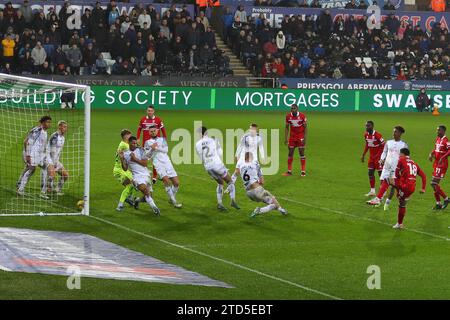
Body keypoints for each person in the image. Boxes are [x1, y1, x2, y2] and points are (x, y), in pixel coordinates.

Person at [195, 126, 240, 211]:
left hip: (208, 167)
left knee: (220, 183)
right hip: (217, 164)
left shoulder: (197, 144)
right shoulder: (213, 139)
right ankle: (233, 201)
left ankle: (220, 204)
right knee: (230, 182)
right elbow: (220, 153)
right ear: (206, 133)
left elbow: (201, 158)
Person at [367, 126, 408, 209]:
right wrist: (382, 159)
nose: (393, 133)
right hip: (386, 166)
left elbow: (406, 157)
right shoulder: (388, 142)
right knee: (383, 183)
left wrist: (403, 167)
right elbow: (384, 152)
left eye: (395, 132)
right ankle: (380, 199)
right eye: (393, 131)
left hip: (396, 168)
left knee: (391, 185)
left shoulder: (404, 145)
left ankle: (381, 199)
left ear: (400, 133)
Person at [119, 136, 160, 216]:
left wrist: (134, 159)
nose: (135, 144)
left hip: (146, 175)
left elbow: (145, 163)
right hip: (137, 177)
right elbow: (125, 168)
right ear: (129, 143)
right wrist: (121, 159)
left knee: (147, 197)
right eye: (133, 143)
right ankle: (155, 208)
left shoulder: (141, 150)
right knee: (145, 190)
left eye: (135, 143)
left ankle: (137, 200)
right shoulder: (126, 154)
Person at [240, 152, 287, 218]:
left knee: (272, 203)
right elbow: (262, 182)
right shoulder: (255, 164)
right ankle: (280, 209)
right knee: (270, 195)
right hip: (256, 190)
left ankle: (265, 210)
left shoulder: (241, 166)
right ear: (251, 157)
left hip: (249, 193)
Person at [144, 127, 182, 208]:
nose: (153, 132)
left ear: (157, 131)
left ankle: (171, 198)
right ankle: (174, 201)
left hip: (167, 162)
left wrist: (156, 148)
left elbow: (166, 150)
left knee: (176, 183)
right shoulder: (147, 142)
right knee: (166, 180)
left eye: (154, 131)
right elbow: (147, 155)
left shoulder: (162, 139)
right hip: (158, 164)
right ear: (149, 132)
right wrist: (151, 149)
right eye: (151, 131)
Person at [17, 116, 52, 199]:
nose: (49, 124)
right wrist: (28, 155)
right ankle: (20, 189)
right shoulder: (37, 130)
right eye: (47, 122)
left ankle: (43, 192)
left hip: (39, 155)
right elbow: (27, 142)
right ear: (42, 122)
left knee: (46, 168)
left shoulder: (44, 131)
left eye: (50, 122)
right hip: (32, 153)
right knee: (31, 170)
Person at [392, 148, 426, 229]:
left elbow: (396, 174)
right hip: (411, 187)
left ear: (403, 154)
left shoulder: (401, 160)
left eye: (400, 154)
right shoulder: (414, 163)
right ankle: (400, 223)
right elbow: (423, 176)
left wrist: (397, 186)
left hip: (405, 186)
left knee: (401, 203)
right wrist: (423, 188)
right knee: (402, 203)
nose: (399, 156)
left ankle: (399, 224)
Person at [136, 105, 167, 184]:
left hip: (156, 143)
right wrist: (138, 138)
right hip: (146, 144)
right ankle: (144, 174)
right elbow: (139, 129)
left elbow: (163, 130)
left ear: (153, 111)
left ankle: (154, 176)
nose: (150, 112)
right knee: (144, 159)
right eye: (148, 110)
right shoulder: (143, 119)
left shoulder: (158, 120)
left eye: (151, 111)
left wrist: (164, 139)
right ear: (147, 111)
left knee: (155, 160)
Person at [113, 129, 136, 212]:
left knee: (135, 182)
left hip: (124, 170)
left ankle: (129, 198)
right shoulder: (124, 145)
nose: (131, 137)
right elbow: (134, 151)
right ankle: (120, 205)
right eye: (129, 135)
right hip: (119, 170)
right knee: (129, 185)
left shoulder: (125, 144)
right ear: (125, 136)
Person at [428, 125, 450, 210]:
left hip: (442, 165)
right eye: (437, 130)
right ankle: (438, 203)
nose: (437, 132)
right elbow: (435, 149)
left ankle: (446, 199)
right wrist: (431, 154)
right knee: (434, 185)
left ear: (444, 131)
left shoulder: (446, 141)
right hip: (436, 164)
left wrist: (443, 157)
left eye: (439, 130)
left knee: (433, 183)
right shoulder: (438, 139)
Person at [361, 121, 385, 197]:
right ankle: (372, 191)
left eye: (368, 126)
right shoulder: (366, 135)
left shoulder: (377, 135)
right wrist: (363, 155)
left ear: (372, 126)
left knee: (380, 174)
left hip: (378, 158)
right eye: (366, 126)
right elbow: (367, 145)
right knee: (370, 173)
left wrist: (379, 156)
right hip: (371, 158)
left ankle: (383, 191)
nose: (366, 127)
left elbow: (383, 145)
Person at [283, 104, 307, 176]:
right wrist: (286, 138)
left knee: (301, 153)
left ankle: (303, 171)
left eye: (294, 108)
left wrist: (305, 138)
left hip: (300, 136)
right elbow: (287, 127)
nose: (292, 110)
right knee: (290, 153)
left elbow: (305, 127)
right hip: (292, 137)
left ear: (297, 109)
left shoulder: (302, 116)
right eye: (291, 108)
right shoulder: (288, 116)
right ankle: (289, 171)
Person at [46, 121, 69, 196]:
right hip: (49, 159)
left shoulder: (63, 137)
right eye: (64, 127)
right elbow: (52, 152)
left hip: (55, 160)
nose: (66, 129)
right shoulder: (55, 137)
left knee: (65, 175)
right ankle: (47, 190)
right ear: (59, 127)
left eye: (66, 127)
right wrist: (53, 164)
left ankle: (57, 189)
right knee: (52, 176)